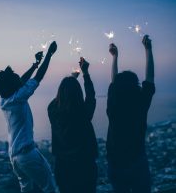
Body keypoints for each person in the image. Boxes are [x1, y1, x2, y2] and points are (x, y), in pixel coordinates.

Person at [0, 41, 58, 193]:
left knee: (26, 189)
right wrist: (49, 54)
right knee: (50, 187)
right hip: (27, 154)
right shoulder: (19, 97)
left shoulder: (4, 101)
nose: (19, 81)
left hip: (14, 157)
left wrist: (35, 64)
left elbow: (20, 82)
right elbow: (38, 78)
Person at [106, 35, 155, 193]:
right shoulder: (140, 103)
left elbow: (114, 82)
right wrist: (148, 50)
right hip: (137, 160)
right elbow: (150, 78)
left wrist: (115, 57)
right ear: (136, 86)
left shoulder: (114, 104)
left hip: (116, 163)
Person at [48, 57, 98, 193]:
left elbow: (59, 99)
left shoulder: (52, 111)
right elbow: (91, 97)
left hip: (63, 169)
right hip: (85, 168)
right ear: (78, 93)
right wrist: (85, 74)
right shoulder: (83, 113)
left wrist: (72, 79)